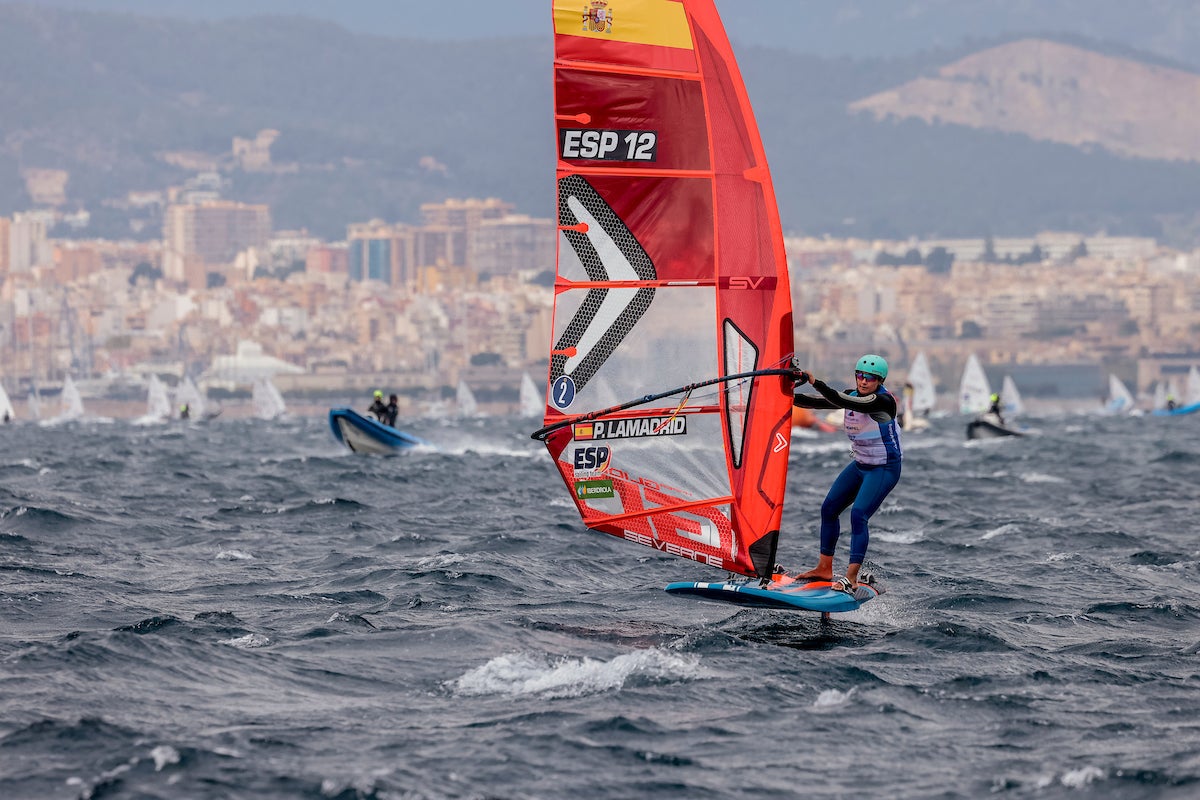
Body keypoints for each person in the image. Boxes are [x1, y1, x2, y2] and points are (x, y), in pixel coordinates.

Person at [790, 354, 903, 592]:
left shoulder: (883, 402)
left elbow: (844, 401)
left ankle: (851, 577)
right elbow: (816, 402)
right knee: (829, 509)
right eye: (859, 376)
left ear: (879, 380)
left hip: (883, 468)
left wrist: (815, 381)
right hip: (861, 465)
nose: (863, 381)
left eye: (869, 378)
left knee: (858, 514)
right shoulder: (852, 396)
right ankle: (824, 568)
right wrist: (784, 394)